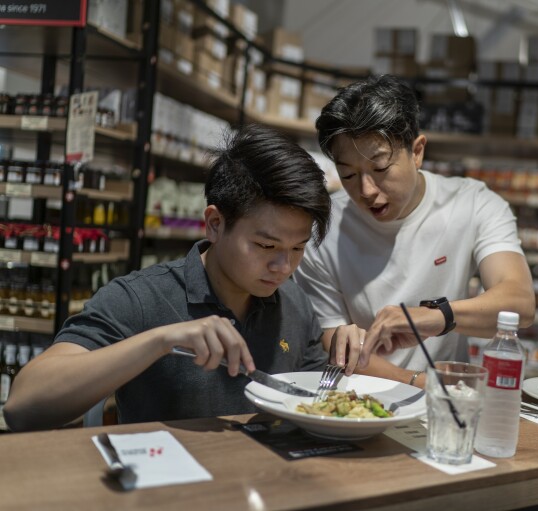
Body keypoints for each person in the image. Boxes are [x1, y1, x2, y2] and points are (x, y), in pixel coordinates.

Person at [4, 123, 332, 431]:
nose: (284, 266)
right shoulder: (141, 297)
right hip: (169, 484)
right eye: (266, 245)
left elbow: (319, 405)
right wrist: (160, 341)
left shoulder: (294, 303)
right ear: (215, 224)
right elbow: (23, 406)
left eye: (298, 248)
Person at [294, 74, 535, 388]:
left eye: (380, 169)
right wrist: (423, 383)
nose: (366, 190)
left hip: (446, 408)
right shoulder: (323, 230)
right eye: (349, 174)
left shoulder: (473, 204)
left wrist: (440, 316)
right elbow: (332, 341)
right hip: (360, 403)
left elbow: (520, 302)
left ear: (417, 151)